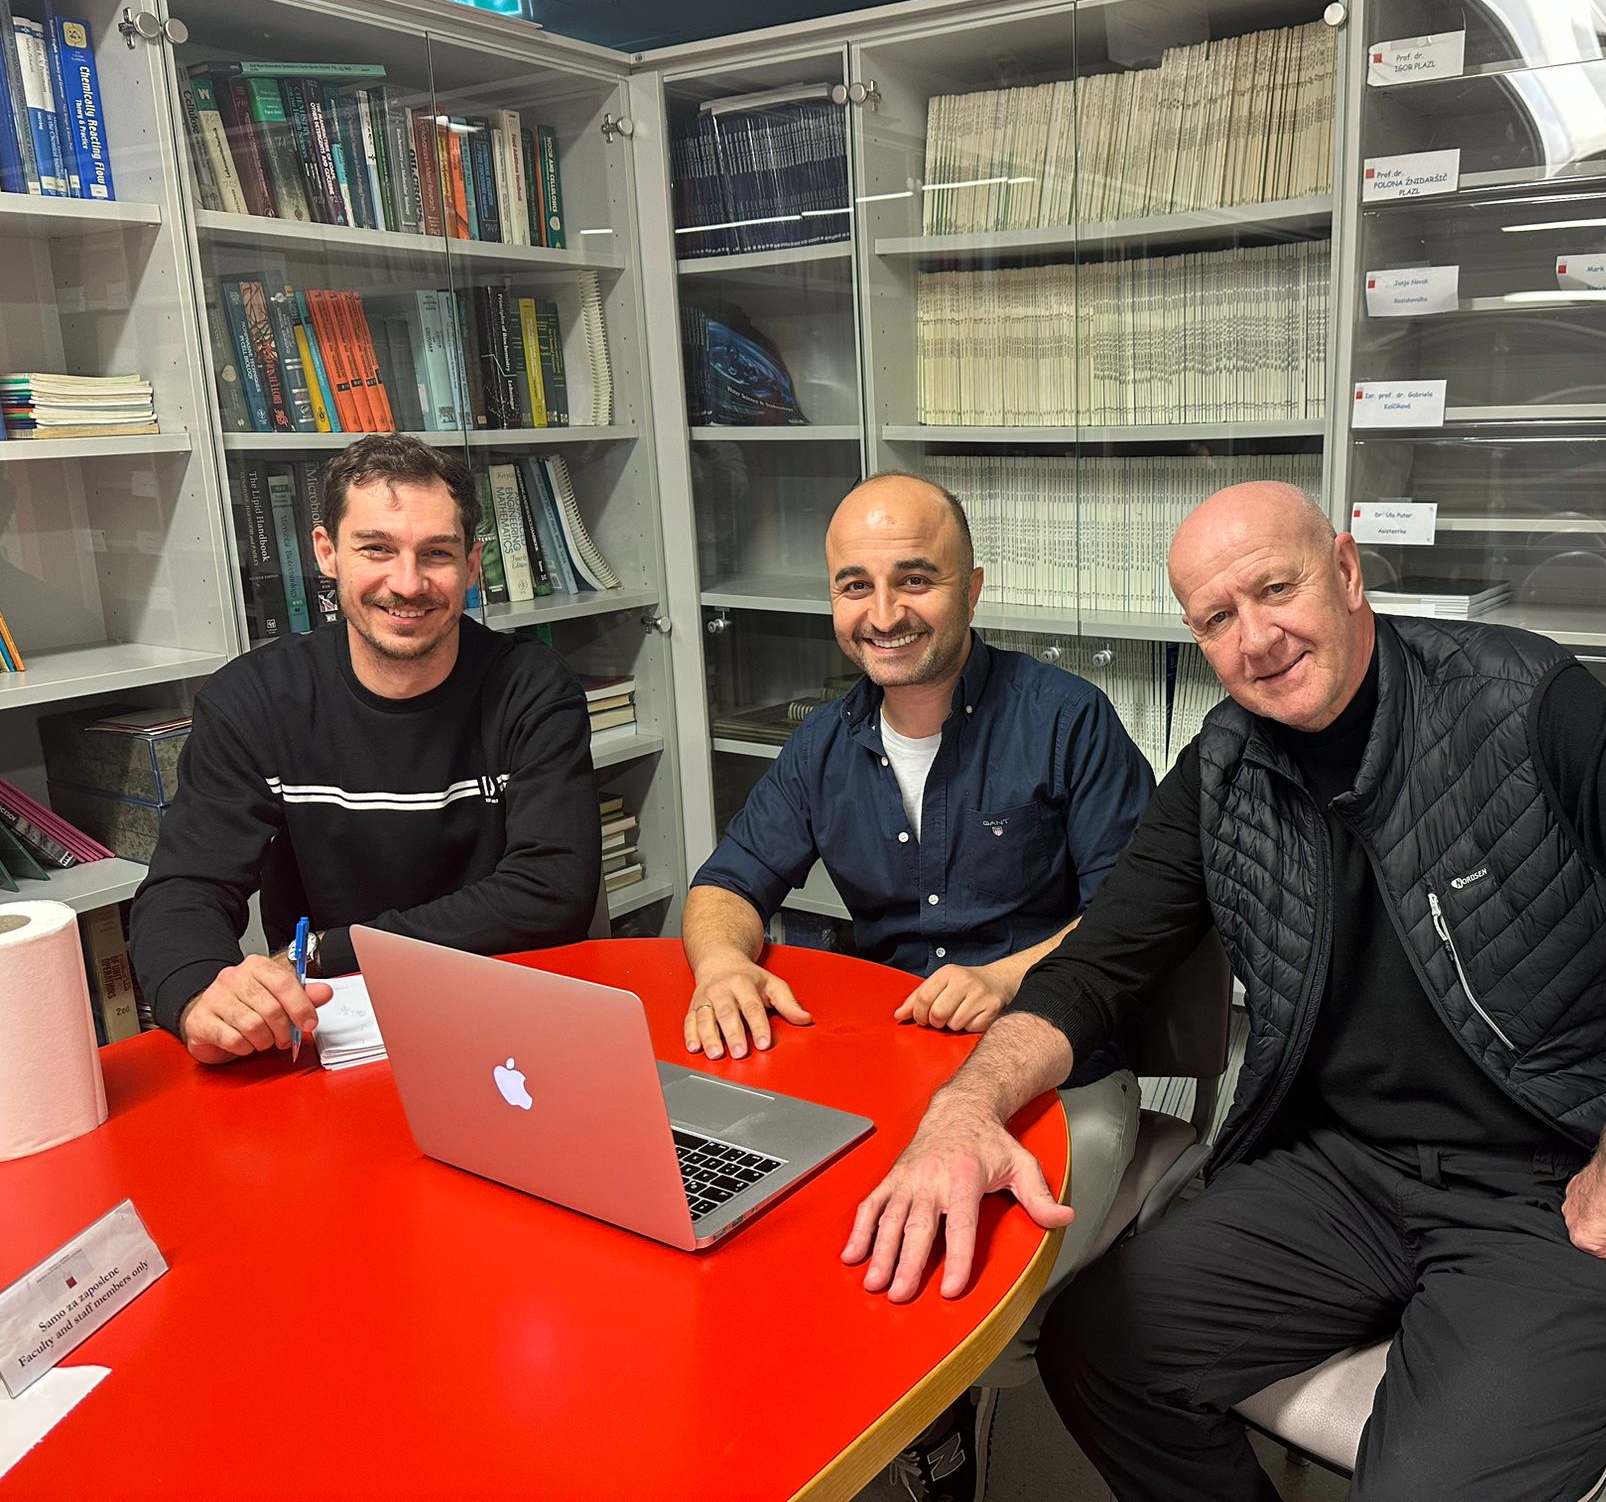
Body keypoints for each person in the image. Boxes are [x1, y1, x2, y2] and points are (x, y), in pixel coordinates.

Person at [845, 481, 1606, 1501]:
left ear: (1347, 572)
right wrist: (965, 1108)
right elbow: (1098, 965)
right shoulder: (1221, 768)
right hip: (1346, 1170)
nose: (1256, 638)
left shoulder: (1515, 699)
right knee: (1097, 1351)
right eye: (1217, 618)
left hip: (1563, 1189)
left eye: (1276, 589)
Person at [685, 472, 1154, 1500]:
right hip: (890, 1070)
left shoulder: (1066, 719)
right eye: (855, 585)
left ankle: (941, 1453)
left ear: (971, 587)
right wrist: (721, 961)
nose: (884, 612)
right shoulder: (823, 742)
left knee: (949, 1282)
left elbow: (1137, 913)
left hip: (1060, 1077)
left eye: (915, 579)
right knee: (773, 1240)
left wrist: (1008, 976)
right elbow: (724, 884)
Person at [131, 434, 600, 1062]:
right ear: (326, 553)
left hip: (507, 1015)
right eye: (376, 549)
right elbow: (186, 885)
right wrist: (197, 997)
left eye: (436, 553)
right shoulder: (253, 700)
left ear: (471, 565)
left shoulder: (532, 687)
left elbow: (552, 891)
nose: (407, 584)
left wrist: (329, 947)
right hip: (333, 1027)